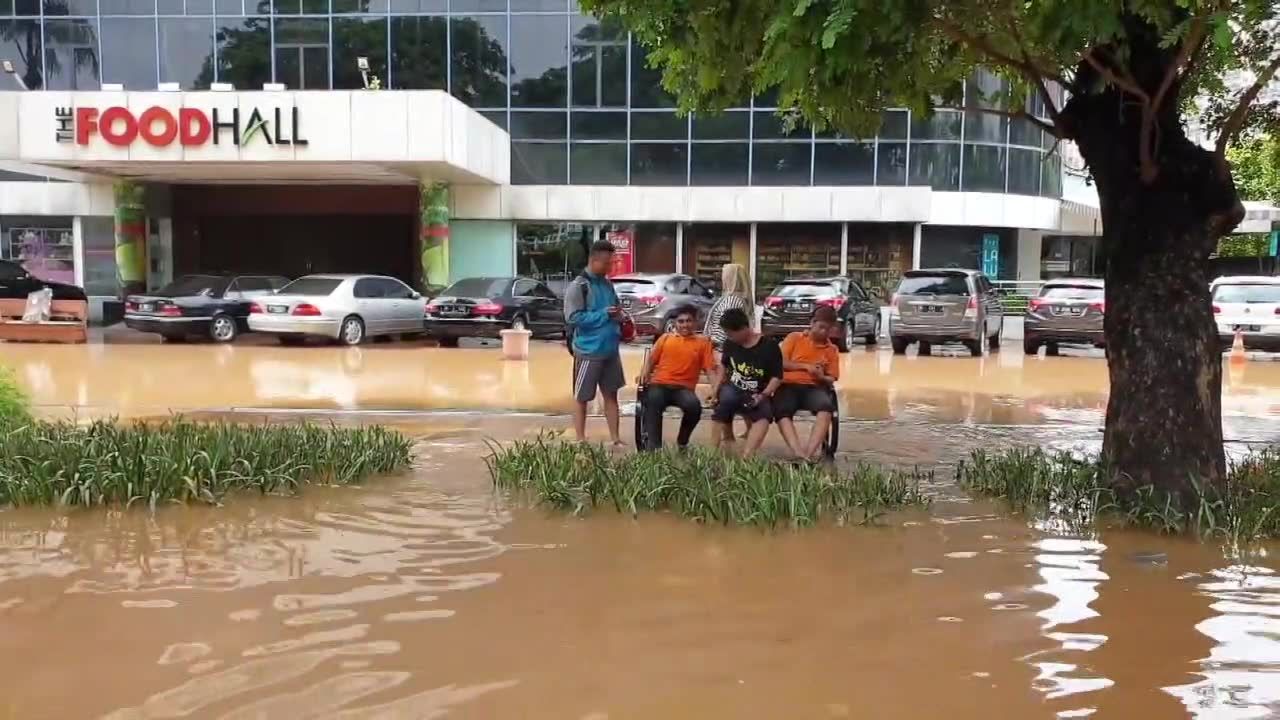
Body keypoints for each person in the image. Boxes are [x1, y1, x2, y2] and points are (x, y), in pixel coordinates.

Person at [564, 240, 624, 445]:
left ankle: (615, 438)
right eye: (606, 263)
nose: (609, 268)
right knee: (582, 397)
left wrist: (618, 316)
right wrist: (603, 315)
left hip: (610, 349)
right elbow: (573, 318)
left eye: (611, 263)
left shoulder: (607, 285)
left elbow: (615, 308)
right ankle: (580, 439)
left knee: (611, 395)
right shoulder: (578, 287)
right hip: (589, 350)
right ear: (593, 260)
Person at [636, 304, 717, 450]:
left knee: (694, 408)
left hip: (683, 389)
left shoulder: (703, 343)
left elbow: (710, 370)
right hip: (660, 384)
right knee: (653, 402)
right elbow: (650, 361)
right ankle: (653, 448)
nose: (685, 325)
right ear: (675, 323)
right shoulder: (665, 338)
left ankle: (682, 442)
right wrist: (644, 375)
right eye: (681, 321)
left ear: (695, 322)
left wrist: (715, 391)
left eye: (688, 321)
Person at [710, 308, 782, 458]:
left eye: (731, 333)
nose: (729, 337)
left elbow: (777, 377)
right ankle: (711, 453)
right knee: (724, 403)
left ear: (744, 329)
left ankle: (747, 456)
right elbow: (723, 366)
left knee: (763, 415)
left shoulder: (769, 347)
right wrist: (715, 390)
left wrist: (764, 395)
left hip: (759, 391)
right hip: (734, 387)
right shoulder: (730, 344)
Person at [775, 305, 841, 461]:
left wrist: (821, 376)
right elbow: (781, 363)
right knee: (782, 411)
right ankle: (798, 452)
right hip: (788, 385)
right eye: (821, 327)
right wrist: (805, 366)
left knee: (826, 408)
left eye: (828, 329)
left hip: (814, 387)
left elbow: (832, 378)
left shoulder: (831, 349)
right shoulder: (794, 338)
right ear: (812, 323)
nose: (824, 332)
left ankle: (808, 454)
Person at [704, 263, 754, 443]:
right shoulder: (739, 299)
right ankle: (744, 429)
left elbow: (728, 328)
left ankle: (728, 434)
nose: (721, 278)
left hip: (720, 351)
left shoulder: (732, 300)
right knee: (730, 392)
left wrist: (711, 342)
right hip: (722, 350)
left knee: (722, 394)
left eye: (725, 275)